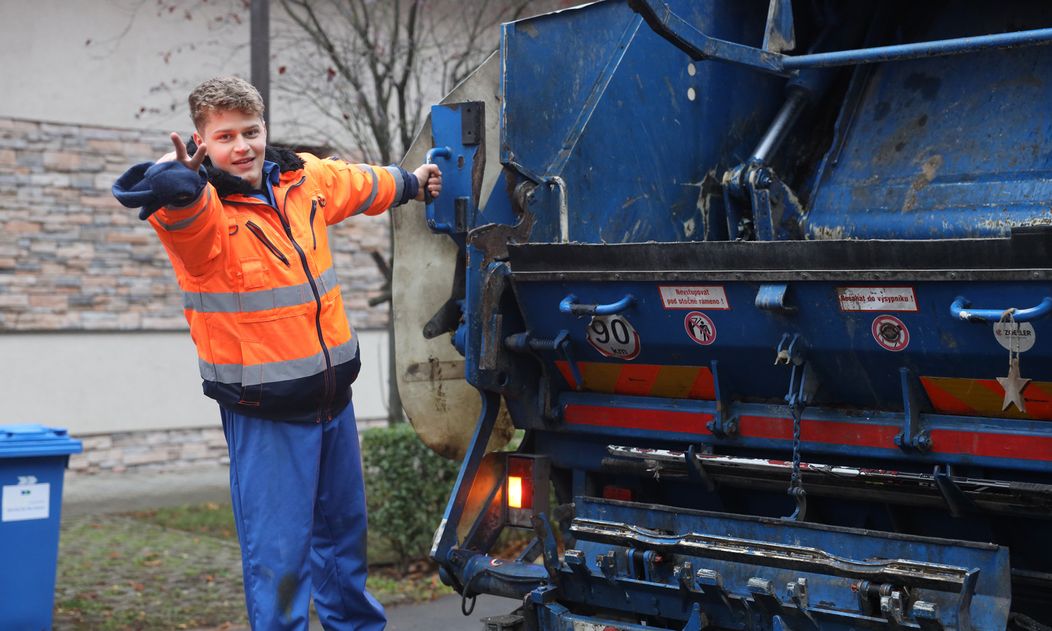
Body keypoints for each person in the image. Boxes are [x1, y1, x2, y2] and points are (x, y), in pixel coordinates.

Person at [112, 75, 441, 630]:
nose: (241, 146)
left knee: (344, 553)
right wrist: (178, 188)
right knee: (280, 565)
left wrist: (409, 182)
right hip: (265, 415)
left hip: (333, 402)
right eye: (224, 137)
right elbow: (186, 223)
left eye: (251, 131)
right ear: (201, 143)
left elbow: (356, 183)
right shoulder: (202, 209)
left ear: (265, 129)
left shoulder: (300, 178)